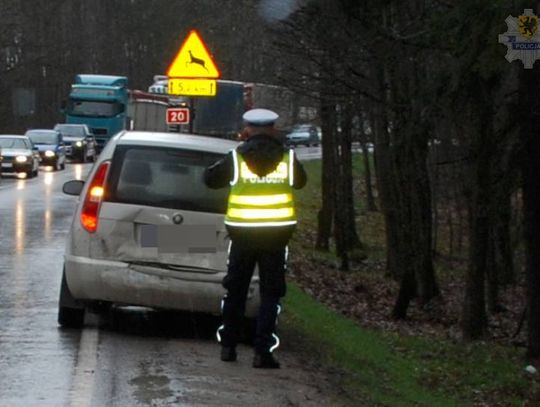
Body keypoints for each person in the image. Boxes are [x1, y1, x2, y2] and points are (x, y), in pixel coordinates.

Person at [204, 108, 307, 369]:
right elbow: (301, 183)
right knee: (271, 294)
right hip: (276, 237)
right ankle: (263, 352)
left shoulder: (236, 158)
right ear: (272, 129)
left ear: (247, 130)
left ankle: (228, 346)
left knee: (235, 290)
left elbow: (210, 180)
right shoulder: (288, 158)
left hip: (242, 236)